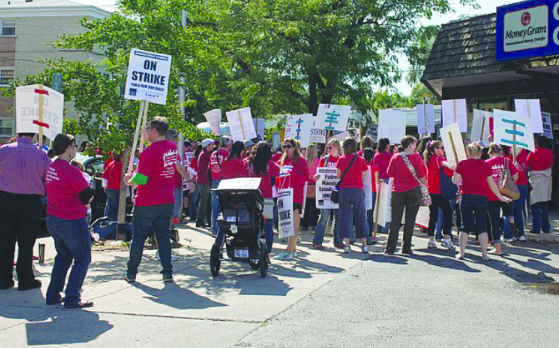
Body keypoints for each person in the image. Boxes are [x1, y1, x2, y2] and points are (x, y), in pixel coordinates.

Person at [124, 117, 179, 283]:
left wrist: (128, 180)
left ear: (155, 131)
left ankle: (131, 272)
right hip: (166, 200)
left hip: (147, 201)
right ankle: (167, 272)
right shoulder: (172, 148)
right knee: (163, 238)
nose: (146, 132)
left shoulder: (150, 151)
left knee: (138, 238)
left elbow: (141, 179)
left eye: (148, 129)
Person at [45, 134, 95, 308]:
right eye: (74, 145)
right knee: (82, 257)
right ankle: (72, 297)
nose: (75, 148)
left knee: (63, 257)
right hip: (71, 219)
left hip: (53, 218)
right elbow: (88, 194)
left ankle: (52, 295)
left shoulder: (52, 167)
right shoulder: (70, 170)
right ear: (68, 148)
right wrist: (84, 201)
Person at [0, 133, 51, 291]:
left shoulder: (4, 150)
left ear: (18, 134)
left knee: (5, 241)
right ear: (34, 135)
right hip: (30, 201)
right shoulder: (41, 154)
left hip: (6, 199)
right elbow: (48, 177)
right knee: (26, 242)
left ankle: (3, 279)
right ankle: (25, 278)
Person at [453, 143, 511, 260]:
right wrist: (501, 197)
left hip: (466, 196)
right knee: (482, 226)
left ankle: (461, 253)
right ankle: (484, 254)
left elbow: (455, 181)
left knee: (464, 226)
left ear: (468, 152)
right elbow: (492, 184)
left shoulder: (462, 164)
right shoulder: (486, 165)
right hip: (482, 197)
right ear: (480, 153)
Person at [385, 136, 426, 255]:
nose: (415, 146)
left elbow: (390, 173)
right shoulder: (417, 157)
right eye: (414, 144)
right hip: (413, 190)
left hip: (398, 190)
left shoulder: (396, 157)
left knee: (395, 219)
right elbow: (421, 174)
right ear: (410, 145)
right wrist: (425, 186)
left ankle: (390, 247)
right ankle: (406, 247)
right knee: (410, 220)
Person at [241, 141, 280, 254]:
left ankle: (251, 247)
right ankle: (267, 251)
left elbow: (243, 179)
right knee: (268, 224)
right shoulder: (271, 164)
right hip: (266, 198)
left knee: (250, 223)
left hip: (250, 198)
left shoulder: (247, 163)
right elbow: (273, 181)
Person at [276, 138, 309, 260]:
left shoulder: (301, 160)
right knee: (286, 223)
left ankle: (289, 250)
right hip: (284, 194)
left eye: (288, 146)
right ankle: (292, 249)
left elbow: (305, 177)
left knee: (294, 225)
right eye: (284, 146)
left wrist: (292, 175)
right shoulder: (284, 160)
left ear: (294, 147)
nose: (286, 149)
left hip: (295, 195)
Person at [337, 137, 370, 254]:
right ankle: (364, 244)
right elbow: (363, 175)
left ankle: (347, 245)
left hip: (344, 190)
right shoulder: (361, 160)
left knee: (344, 217)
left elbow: (339, 175)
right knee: (361, 216)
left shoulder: (341, 159)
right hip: (357, 190)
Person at [485, 143, 518, 255]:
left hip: (491, 195)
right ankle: (511, 220)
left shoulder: (487, 163)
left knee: (494, 221)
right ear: (501, 151)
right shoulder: (507, 161)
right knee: (508, 211)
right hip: (507, 193)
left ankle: (497, 247)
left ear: (490, 152)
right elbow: (515, 177)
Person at [423, 140, 455, 249]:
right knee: (448, 213)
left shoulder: (429, 159)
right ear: (436, 149)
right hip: (439, 191)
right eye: (441, 148)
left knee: (433, 215)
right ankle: (446, 238)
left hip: (431, 190)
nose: (443, 150)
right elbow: (448, 165)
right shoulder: (438, 159)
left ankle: (431, 239)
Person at [312, 138, 342, 249]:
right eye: (327, 147)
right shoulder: (324, 159)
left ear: (338, 148)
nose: (328, 149)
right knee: (324, 217)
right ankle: (317, 241)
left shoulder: (341, 159)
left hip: (337, 192)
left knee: (338, 217)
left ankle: (338, 241)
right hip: (325, 192)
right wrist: (316, 177)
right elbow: (318, 173)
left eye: (330, 147)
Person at [528, 135, 555, 234]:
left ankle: (536, 228)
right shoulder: (549, 152)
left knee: (535, 205)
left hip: (535, 179)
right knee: (545, 204)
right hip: (546, 179)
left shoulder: (533, 152)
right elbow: (552, 163)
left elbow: (527, 163)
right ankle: (546, 227)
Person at [210, 136, 231, 235]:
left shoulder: (213, 154)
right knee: (223, 207)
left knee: (214, 207)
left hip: (214, 180)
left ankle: (213, 229)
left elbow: (210, 168)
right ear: (228, 144)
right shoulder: (227, 154)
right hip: (223, 182)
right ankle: (220, 231)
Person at [373, 137, 393, 233]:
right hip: (388, 181)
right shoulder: (390, 156)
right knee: (386, 206)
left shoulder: (376, 156)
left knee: (378, 205)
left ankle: (376, 227)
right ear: (387, 146)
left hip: (378, 181)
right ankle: (385, 228)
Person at [196, 139, 214, 228]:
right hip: (204, 181)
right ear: (206, 146)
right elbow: (206, 170)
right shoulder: (205, 155)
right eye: (210, 145)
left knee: (206, 201)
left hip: (203, 180)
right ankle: (199, 220)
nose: (212, 146)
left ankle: (204, 220)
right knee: (204, 201)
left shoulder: (204, 154)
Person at [362, 148, 379, 243]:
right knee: (370, 213)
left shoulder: (361, 165)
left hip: (361, 190)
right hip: (372, 191)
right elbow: (377, 181)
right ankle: (369, 233)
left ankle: (361, 232)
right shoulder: (375, 167)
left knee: (362, 212)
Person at [302, 143, 320, 231]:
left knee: (305, 206)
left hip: (306, 185)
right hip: (315, 185)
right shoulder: (319, 161)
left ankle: (304, 224)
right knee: (314, 206)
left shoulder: (304, 161)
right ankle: (313, 224)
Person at [102, 152, 122, 220]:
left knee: (109, 205)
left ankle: (107, 220)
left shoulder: (110, 164)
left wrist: (105, 186)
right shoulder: (121, 165)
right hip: (116, 188)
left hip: (109, 187)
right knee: (114, 207)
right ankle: (112, 222)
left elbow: (104, 175)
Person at [188, 144, 202, 221]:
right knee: (195, 198)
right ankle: (193, 214)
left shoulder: (198, 158)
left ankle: (195, 214)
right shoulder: (195, 158)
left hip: (198, 180)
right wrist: (196, 173)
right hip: (196, 180)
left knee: (196, 198)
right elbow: (189, 168)